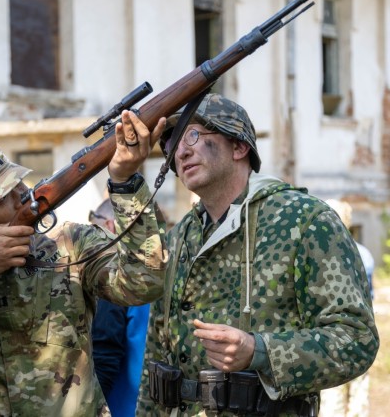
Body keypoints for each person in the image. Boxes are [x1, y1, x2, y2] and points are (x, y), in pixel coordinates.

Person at [136, 93, 379, 416]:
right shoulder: (179, 237)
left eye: (193, 134)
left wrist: (260, 351)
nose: (181, 151)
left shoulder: (304, 221)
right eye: (172, 144)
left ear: (240, 147)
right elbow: (157, 356)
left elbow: (356, 339)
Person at [0, 108, 168, 416]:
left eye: (17, 182)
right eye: (1, 195)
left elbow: (145, 284)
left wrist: (125, 182)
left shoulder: (70, 245)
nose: (22, 195)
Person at [90, 198, 151, 417]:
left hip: (120, 408)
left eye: (93, 223)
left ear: (110, 226)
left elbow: (105, 353)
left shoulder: (115, 276)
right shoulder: (158, 270)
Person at [319, 199, 376, 417]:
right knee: (359, 395)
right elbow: (370, 295)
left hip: (334, 334)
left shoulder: (326, 254)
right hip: (363, 332)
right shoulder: (365, 253)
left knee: (333, 398)